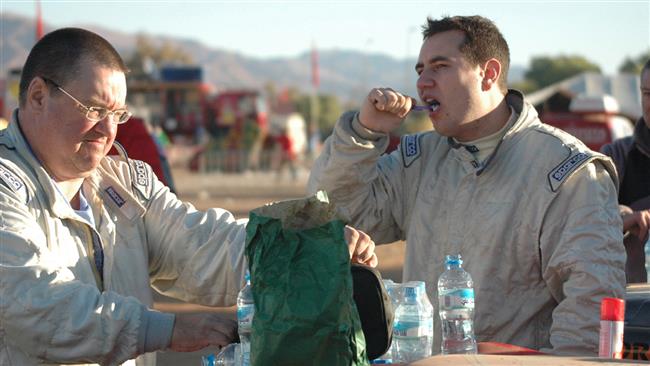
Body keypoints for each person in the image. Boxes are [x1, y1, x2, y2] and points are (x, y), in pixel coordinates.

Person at [0, 28, 377, 366]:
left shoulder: (123, 184)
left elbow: (201, 244)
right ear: (37, 96)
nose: (107, 130)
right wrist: (168, 329)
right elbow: (35, 305)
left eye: (117, 114)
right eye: (94, 110)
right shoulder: (5, 184)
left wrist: (307, 246)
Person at [308, 15, 625, 355]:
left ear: (488, 74)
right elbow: (334, 215)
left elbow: (591, 308)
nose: (423, 83)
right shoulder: (420, 159)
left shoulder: (567, 171)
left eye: (440, 66)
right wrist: (363, 134)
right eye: (420, 71)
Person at [601, 59, 650, 283]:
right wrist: (623, 218)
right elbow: (582, 226)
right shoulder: (616, 156)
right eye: (648, 93)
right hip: (632, 310)